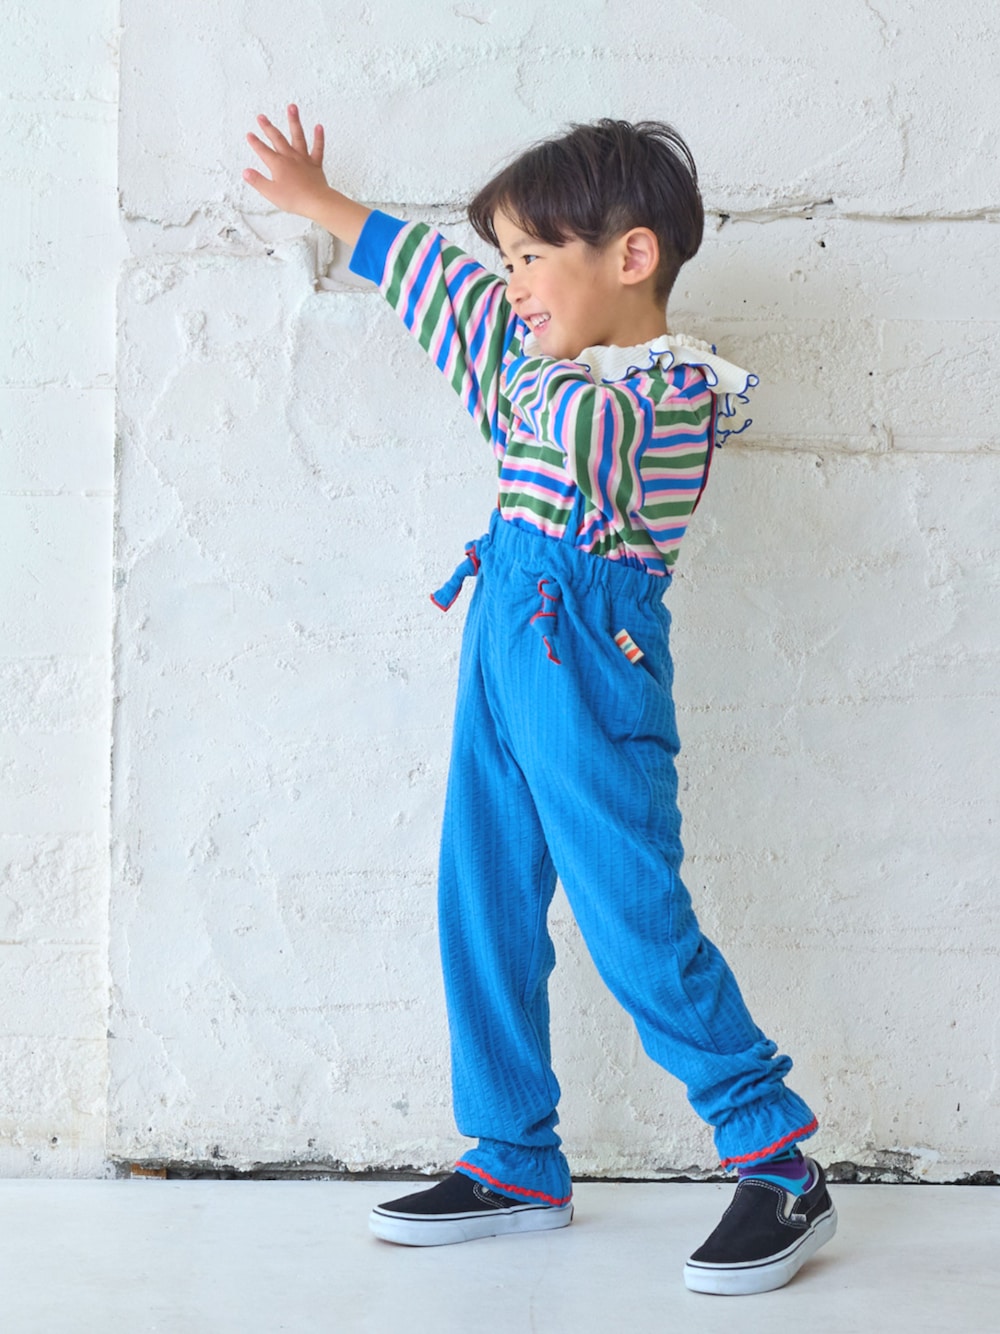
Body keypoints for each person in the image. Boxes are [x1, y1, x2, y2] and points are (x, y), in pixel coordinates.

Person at [243, 105, 837, 1295]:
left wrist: (517, 347)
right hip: (503, 631)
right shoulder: (535, 361)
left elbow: (582, 430)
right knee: (480, 894)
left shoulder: (673, 393)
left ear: (631, 257)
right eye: (504, 260)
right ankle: (512, 1156)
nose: (508, 285)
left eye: (530, 257)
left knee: (631, 915)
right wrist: (325, 205)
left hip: (587, 657)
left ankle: (776, 1157)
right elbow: (443, 289)